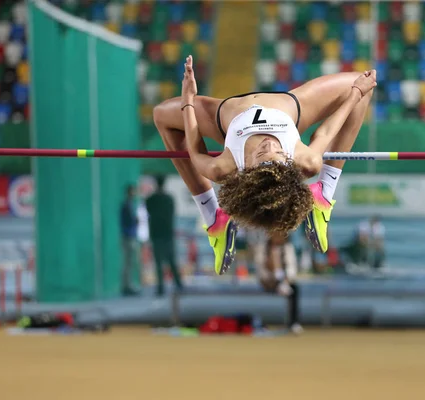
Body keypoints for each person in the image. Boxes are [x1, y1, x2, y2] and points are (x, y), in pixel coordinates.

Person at [154, 55, 376, 275]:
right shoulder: (304, 159)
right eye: (278, 153)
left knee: (161, 115)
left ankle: (213, 216)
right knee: (362, 83)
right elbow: (326, 132)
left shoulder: (224, 166)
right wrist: (356, 91)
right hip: (291, 106)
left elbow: (194, 148)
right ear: (287, 164)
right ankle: (324, 194)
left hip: (224, 115)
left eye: (262, 155)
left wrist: (188, 101)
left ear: (248, 171)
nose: (269, 145)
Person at [254, 232, 303, 334]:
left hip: (284, 281)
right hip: (268, 282)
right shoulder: (262, 248)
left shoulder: (287, 248)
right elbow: (260, 269)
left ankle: (293, 323)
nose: (277, 237)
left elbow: (291, 267)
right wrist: (271, 279)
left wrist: (286, 280)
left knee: (295, 289)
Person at [145, 175, 182, 297]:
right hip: (167, 233)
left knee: (158, 263)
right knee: (171, 260)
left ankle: (161, 287)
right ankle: (178, 285)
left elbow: (148, 211)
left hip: (156, 234)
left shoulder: (151, 199)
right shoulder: (169, 199)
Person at [120, 184, 139, 296]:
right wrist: (134, 221)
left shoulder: (130, 205)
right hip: (128, 237)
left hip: (130, 236)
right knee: (128, 262)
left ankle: (128, 284)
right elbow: (127, 222)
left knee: (130, 262)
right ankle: (126, 286)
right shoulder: (126, 206)